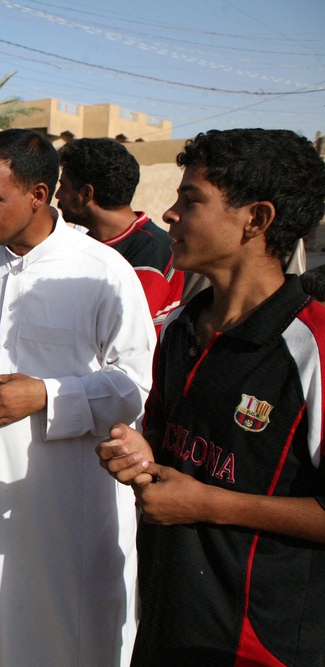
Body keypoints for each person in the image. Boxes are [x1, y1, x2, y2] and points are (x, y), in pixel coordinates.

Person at [97, 128, 325, 666]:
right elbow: (166, 441)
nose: (169, 214)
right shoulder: (179, 329)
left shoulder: (312, 345)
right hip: (166, 618)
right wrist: (140, 452)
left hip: (257, 643)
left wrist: (208, 503)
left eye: (190, 199)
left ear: (257, 219)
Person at [0, 129, 155, 667]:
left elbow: (134, 385)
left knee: (64, 625)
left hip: (63, 492)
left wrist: (46, 395)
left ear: (38, 195)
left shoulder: (101, 271)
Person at [57, 138, 184, 331]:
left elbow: (119, 329)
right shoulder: (81, 244)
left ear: (86, 193)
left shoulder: (153, 250)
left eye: (63, 186)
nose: (57, 196)